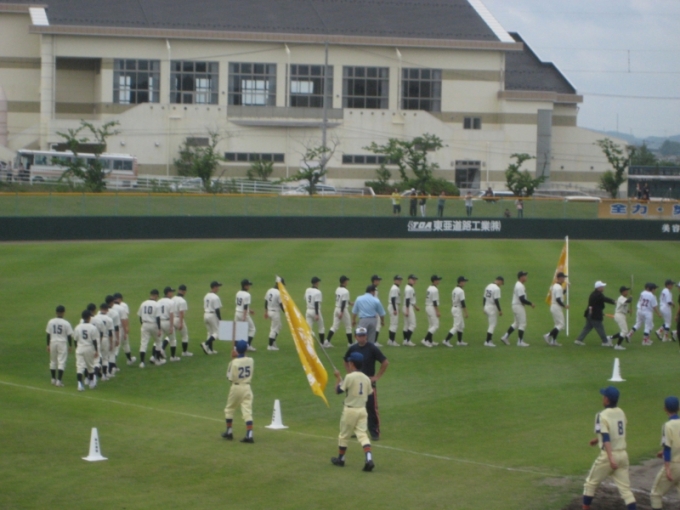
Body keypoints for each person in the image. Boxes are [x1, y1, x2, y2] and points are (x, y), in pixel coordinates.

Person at [582, 386, 637, 510]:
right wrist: (598, 439)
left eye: (604, 396)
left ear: (607, 399)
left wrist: (611, 458)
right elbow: (614, 432)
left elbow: (606, 437)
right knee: (626, 491)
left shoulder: (601, 415)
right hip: (623, 456)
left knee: (590, 484)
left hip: (608, 456)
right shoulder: (621, 412)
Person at [331, 351, 375, 472]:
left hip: (350, 410)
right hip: (362, 410)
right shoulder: (366, 378)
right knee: (363, 435)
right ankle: (369, 459)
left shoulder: (349, 377)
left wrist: (338, 378)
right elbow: (370, 394)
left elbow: (337, 390)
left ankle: (341, 459)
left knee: (344, 435)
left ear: (352, 364)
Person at [344, 327, 389, 441]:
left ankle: (375, 432)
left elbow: (385, 362)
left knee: (371, 408)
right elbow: (345, 360)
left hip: (368, 384)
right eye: (359, 335)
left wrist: (377, 377)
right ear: (355, 336)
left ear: (366, 336)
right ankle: (358, 430)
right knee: (356, 408)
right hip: (355, 384)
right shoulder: (353, 348)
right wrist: (349, 373)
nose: (362, 337)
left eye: (363, 335)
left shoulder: (372, 348)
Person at [221, 340, 255, 443]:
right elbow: (245, 358)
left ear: (236, 350)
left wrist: (234, 358)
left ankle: (229, 431)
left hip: (236, 387)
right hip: (247, 387)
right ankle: (249, 435)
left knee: (229, 409)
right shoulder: (251, 360)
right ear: (246, 349)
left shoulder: (233, 363)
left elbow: (229, 377)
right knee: (247, 411)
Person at [650, 396, 680, 510]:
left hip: (673, 465)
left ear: (665, 409)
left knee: (655, 494)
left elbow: (667, 447)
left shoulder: (668, 426)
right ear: (678, 408)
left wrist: (667, 468)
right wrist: (663, 452)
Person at [575, 281, 616, 347]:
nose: (603, 288)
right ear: (598, 288)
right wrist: (614, 302)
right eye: (602, 287)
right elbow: (605, 299)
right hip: (594, 315)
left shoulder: (594, 294)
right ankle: (605, 342)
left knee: (587, 328)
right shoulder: (598, 295)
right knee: (600, 328)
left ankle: (579, 340)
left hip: (589, 314)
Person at [500, 271, 534, 347]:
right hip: (518, 306)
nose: (526, 277)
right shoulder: (520, 286)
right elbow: (522, 299)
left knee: (516, 323)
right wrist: (530, 303)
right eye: (525, 276)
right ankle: (520, 341)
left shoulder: (518, 284)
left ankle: (505, 337)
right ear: (521, 277)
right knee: (522, 323)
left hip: (515, 305)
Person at [46, 305, 74, 387]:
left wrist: (48, 344)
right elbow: (69, 335)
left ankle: (53, 379)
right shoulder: (66, 323)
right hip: (62, 343)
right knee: (61, 362)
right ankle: (59, 381)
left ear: (56, 312)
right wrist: (70, 345)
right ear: (63, 313)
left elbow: (48, 334)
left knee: (53, 361)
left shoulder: (51, 321)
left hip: (52, 342)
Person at [74, 310, 100, 391]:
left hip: (80, 347)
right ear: (89, 317)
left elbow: (75, 340)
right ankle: (92, 383)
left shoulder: (77, 327)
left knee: (80, 367)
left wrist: (77, 348)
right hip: (89, 347)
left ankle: (79, 384)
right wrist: (96, 350)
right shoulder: (92, 327)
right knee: (90, 366)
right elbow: (94, 340)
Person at [138, 290, 162, 367]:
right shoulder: (157, 304)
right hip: (154, 324)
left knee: (143, 343)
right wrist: (159, 328)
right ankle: (157, 360)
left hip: (145, 324)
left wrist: (143, 324)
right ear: (156, 295)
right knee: (158, 341)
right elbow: (158, 318)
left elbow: (140, 316)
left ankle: (142, 362)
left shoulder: (143, 303)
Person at [443, 276, 469, 347]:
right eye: (464, 281)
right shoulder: (461, 291)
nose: (465, 283)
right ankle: (446, 340)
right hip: (457, 309)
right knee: (456, 326)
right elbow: (463, 302)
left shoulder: (455, 289)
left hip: (454, 307)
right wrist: (466, 312)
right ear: (461, 282)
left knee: (461, 325)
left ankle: (459, 341)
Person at [544, 272, 568, 347]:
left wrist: (566, 288)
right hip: (556, 307)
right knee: (561, 324)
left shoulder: (556, 286)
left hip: (554, 307)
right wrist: (564, 306)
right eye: (563, 277)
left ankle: (553, 341)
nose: (564, 279)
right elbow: (558, 299)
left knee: (557, 325)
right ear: (560, 278)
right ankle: (548, 335)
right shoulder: (558, 287)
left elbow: (561, 294)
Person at [328, 276, 353, 347]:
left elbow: (342, 299)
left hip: (336, 308)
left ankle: (327, 341)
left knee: (334, 326)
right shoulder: (346, 291)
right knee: (348, 326)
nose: (347, 282)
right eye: (347, 281)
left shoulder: (337, 289)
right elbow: (343, 302)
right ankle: (350, 343)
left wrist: (350, 303)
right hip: (343, 309)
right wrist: (342, 312)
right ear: (344, 282)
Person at [112, 292, 135, 365]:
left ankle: (129, 359)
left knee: (123, 344)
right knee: (120, 345)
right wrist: (126, 328)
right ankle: (113, 365)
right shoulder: (123, 306)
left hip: (111, 328)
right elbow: (125, 318)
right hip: (120, 328)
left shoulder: (110, 306)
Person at [607, 286, 633, 351]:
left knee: (623, 331)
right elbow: (628, 301)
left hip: (621, 315)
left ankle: (610, 338)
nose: (627, 292)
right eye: (626, 291)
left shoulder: (623, 298)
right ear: (623, 292)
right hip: (619, 315)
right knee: (624, 331)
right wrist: (630, 298)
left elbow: (622, 307)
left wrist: (628, 311)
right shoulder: (621, 298)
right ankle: (617, 345)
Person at [201, 281, 222, 355]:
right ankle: (205, 344)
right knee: (217, 333)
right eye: (218, 287)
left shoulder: (206, 295)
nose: (218, 288)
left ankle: (210, 350)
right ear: (214, 287)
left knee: (210, 333)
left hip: (205, 314)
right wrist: (220, 319)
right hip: (212, 315)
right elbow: (217, 309)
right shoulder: (215, 297)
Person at [235, 279, 257, 351]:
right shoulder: (247, 295)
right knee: (252, 329)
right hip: (243, 314)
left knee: (238, 330)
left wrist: (249, 310)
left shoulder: (238, 293)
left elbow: (240, 304)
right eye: (248, 285)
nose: (249, 286)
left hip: (237, 312)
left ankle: (235, 347)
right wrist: (244, 317)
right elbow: (245, 306)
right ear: (245, 286)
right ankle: (248, 345)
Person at [95, 303, 115, 379]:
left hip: (97, 339)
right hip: (105, 339)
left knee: (97, 357)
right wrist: (111, 343)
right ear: (107, 310)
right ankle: (104, 375)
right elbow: (110, 332)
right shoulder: (109, 319)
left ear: (100, 309)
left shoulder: (95, 318)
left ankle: (95, 373)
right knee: (105, 358)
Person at [483, 276, 504, 347]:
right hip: (492, 307)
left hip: (486, 306)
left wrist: (484, 307)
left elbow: (484, 298)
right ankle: (487, 341)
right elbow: (496, 300)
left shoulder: (488, 286)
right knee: (492, 325)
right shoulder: (497, 288)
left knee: (491, 324)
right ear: (499, 281)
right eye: (501, 283)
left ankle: (489, 340)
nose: (501, 285)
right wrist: (500, 310)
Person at [264, 279, 285, 351]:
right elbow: (281, 305)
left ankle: (273, 341)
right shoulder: (278, 293)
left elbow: (266, 302)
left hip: (269, 311)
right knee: (274, 329)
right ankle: (270, 345)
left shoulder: (269, 290)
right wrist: (286, 313)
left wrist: (266, 312)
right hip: (275, 312)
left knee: (279, 326)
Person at [421, 275, 442, 347]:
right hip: (432, 307)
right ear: (435, 281)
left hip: (427, 307)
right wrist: (437, 311)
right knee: (436, 325)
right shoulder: (435, 289)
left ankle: (430, 341)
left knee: (431, 325)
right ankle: (425, 340)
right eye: (438, 280)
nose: (439, 281)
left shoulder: (429, 287)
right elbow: (434, 302)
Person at [172, 284, 192, 357]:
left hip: (172, 318)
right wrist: (181, 323)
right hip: (178, 319)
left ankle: (162, 349)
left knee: (170, 336)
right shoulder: (182, 301)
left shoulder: (172, 298)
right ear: (184, 292)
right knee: (184, 336)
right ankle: (184, 352)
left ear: (178, 290)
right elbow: (181, 313)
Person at [305, 277, 325, 345]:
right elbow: (316, 303)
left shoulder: (307, 290)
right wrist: (317, 314)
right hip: (315, 311)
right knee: (321, 327)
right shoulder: (318, 292)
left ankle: (308, 343)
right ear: (316, 283)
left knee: (308, 328)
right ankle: (322, 343)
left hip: (308, 310)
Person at [158, 287, 177, 361]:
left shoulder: (159, 301)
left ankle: (156, 355)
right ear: (168, 293)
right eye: (171, 292)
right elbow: (171, 314)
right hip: (167, 321)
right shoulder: (171, 302)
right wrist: (171, 326)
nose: (172, 293)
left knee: (158, 340)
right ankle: (173, 357)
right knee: (173, 340)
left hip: (160, 321)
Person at [104, 295, 121, 374]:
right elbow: (116, 327)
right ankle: (110, 371)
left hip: (103, 335)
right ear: (111, 302)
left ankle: (104, 372)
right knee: (112, 353)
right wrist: (117, 339)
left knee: (104, 354)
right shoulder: (114, 313)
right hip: (112, 334)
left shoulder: (99, 313)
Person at [402, 274, 420, 346]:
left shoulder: (408, 287)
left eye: (415, 280)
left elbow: (410, 299)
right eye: (413, 279)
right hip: (408, 307)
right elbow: (407, 300)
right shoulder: (409, 289)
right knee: (413, 324)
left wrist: (415, 306)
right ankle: (407, 340)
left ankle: (405, 340)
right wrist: (407, 310)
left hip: (407, 306)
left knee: (406, 325)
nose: (414, 281)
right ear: (409, 279)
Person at [386, 275, 403, 347]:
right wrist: (395, 309)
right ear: (395, 280)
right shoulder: (395, 288)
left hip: (394, 305)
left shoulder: (395, 288)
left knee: (392, 324)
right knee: (394, 324)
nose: (399, 281)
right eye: (398, 280)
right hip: (393, 306)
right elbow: (393, 299)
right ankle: (392, 341)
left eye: (400, 280)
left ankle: (390, 340)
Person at [370, 275, 384, 346]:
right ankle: (374, 341)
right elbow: (374, 301)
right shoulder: (374, 289)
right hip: (374, 310)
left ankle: (372, 341)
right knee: (377, 325)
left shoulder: (371, 288)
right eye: (378, 280)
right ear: (375, 281)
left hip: (371, 309)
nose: (379, 281)